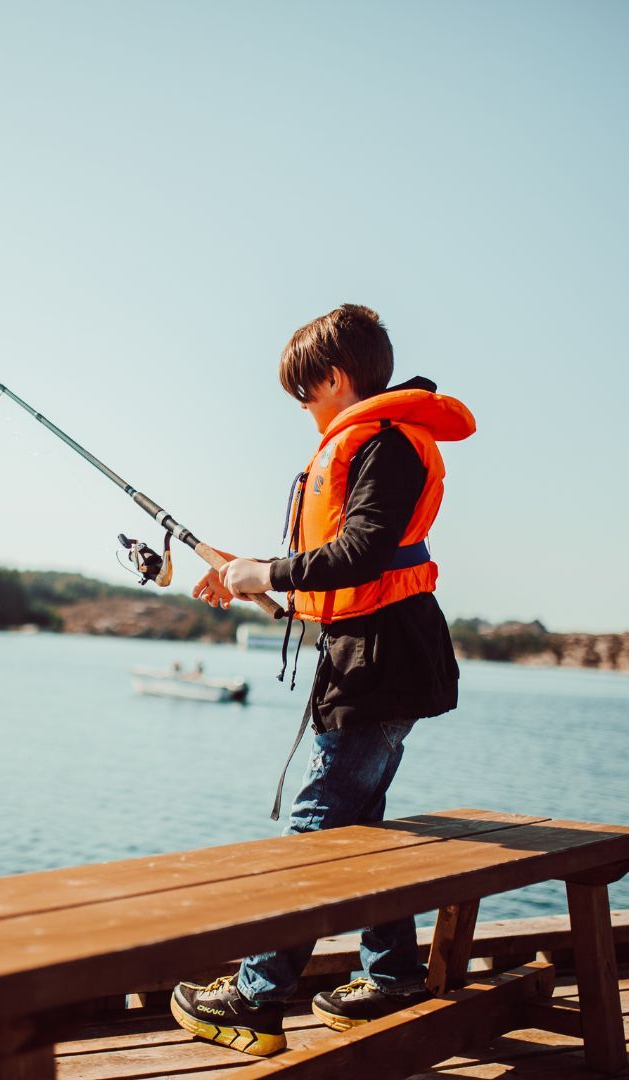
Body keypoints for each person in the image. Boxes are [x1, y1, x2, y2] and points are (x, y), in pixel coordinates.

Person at [169, 304, 476, 1055]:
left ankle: (255, 999)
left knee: (314, 831)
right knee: (361, 827)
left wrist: (266, 572)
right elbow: (345, 568)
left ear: (335, 379)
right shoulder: (378, 440)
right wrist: (248, 578)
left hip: (381, 661)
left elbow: (363, 552)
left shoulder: (386, 444)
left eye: (305, 394)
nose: (304, 410)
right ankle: (392, 978)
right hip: (374, 654)